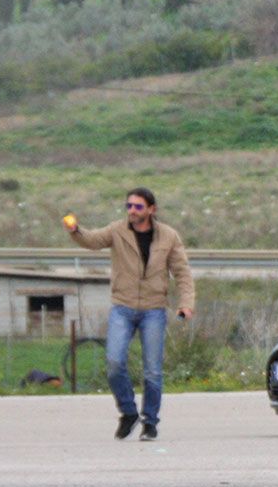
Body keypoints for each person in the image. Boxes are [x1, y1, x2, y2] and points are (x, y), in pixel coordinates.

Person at [64, 187, 195, 441]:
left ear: (151, 209)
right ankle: (128, 412)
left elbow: (182, 272)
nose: (132, 211)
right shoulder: (117, 230)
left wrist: (186, 303)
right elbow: (92, 241)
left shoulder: (168, 236)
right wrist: (75, 230)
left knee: (153, 371)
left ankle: (150, 422)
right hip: (122, 307)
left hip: (154, 309)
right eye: (129, 206)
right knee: (114, 363)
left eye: (137, 206)